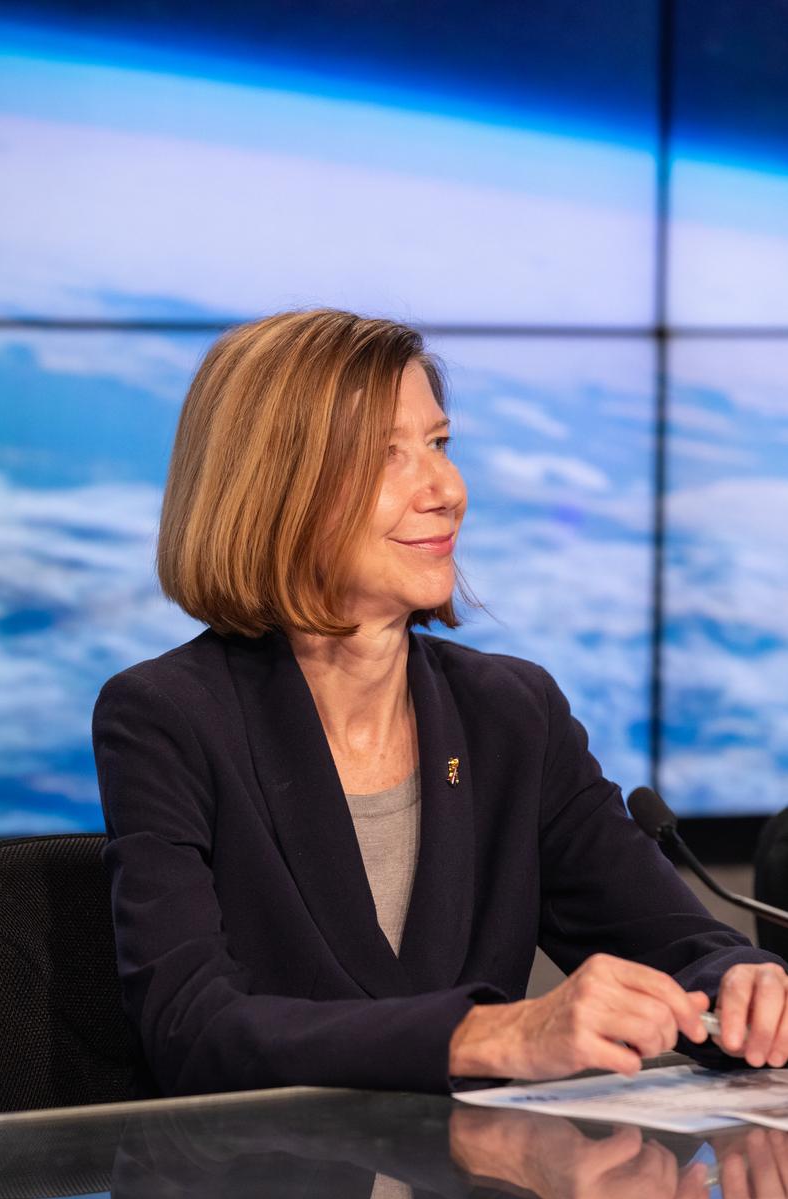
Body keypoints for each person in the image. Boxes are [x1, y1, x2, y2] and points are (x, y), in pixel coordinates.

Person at [93, 308, 788, 1099]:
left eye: (439, 444)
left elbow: (686, 945)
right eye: (387, 456)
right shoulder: (167, 716)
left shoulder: (510, 713)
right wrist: (493, 1035)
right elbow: (191, 1029)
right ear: (272, 487)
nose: (445, 489)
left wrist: (747, 982)